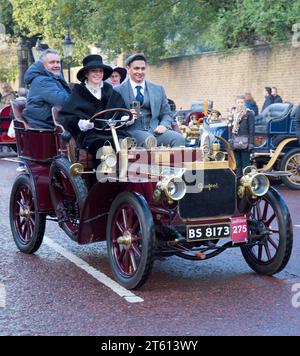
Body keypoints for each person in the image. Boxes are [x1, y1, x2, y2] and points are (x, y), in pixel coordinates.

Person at [59, 55, 127, 167]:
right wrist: (80, 123)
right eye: (94, 71)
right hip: (91, 134)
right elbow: (66, 117)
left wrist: (125, 118)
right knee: (104, 146)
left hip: (112, 131)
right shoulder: (78, 93)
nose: (98, 74)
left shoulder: (110, 91)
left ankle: (129, 178)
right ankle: (104, 179)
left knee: (128, 142)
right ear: (86, 74)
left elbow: (121, 110)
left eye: (100, 71)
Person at [114, 53, 185, 148]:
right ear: (128, 69)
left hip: (155, 130)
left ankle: (174, 163)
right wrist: (127, 117)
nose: (140, 72)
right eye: (136, 68)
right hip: (132, 132)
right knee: (149, 140)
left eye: (143, 68)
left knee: (178, 138)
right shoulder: (118, 90)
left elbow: (167, 113)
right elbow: (114, 116)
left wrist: (164, 125)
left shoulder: (158, 89)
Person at [22, 49, 71, 129]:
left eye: (58, 62)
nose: (56, 65)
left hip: (52, 122)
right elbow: (62, 101)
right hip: (45, 126)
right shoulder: (42, 81)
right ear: (43, 65)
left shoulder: (55, 78)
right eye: (52, 62)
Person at [229, 95, 255, 177]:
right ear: (236, 103)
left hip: (245, 143)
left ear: (244, 103)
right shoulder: (233, 114)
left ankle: (247, 183)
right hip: (235, 142)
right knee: (238, 165)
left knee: (246, 165)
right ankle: (238, 182)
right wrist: (231, 140)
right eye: (238, 102)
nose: (240, 104)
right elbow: (231, 128)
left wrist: (251, 143)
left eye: (242, 102)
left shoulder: (249, 113)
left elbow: (252, 129)